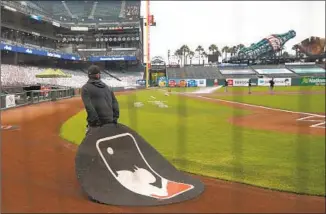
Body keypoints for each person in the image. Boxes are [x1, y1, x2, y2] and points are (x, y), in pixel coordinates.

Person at [81, 65, 120, 134]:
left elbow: (89, 108)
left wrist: (96, 123)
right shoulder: (108, 87)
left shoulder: (85, 88)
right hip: (111, 123)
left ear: (88, 75)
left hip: (97, 125)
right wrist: (115, 119)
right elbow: (115, 104)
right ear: (98, 75)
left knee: (91, 144)